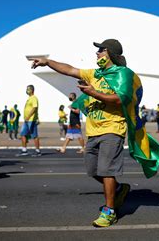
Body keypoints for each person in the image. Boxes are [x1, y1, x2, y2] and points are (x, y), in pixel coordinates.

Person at [31, 39, 133, 228]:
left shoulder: (122, 74)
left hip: (112, 128)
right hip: (93, 131)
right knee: (92, 170)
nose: (97, 53)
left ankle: (109, 211)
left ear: (110, 53)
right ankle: (118, 189)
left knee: (106, 170)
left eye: (101, 50)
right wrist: (48, 62)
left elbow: (121, 99)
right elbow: (69, 70)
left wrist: (95, 94)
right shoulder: (95, 74)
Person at [20, 85, 42, 156]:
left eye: (28, 89)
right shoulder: (29, 98)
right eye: (26, 89)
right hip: (26, 120)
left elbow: (35, 108)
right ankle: (24, 150)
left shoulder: (34, 98)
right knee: (23, 134)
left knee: (34, 136)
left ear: (32, 90)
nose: (27, 90)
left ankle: (38, 151)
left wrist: (29, 116)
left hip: (31, 120)